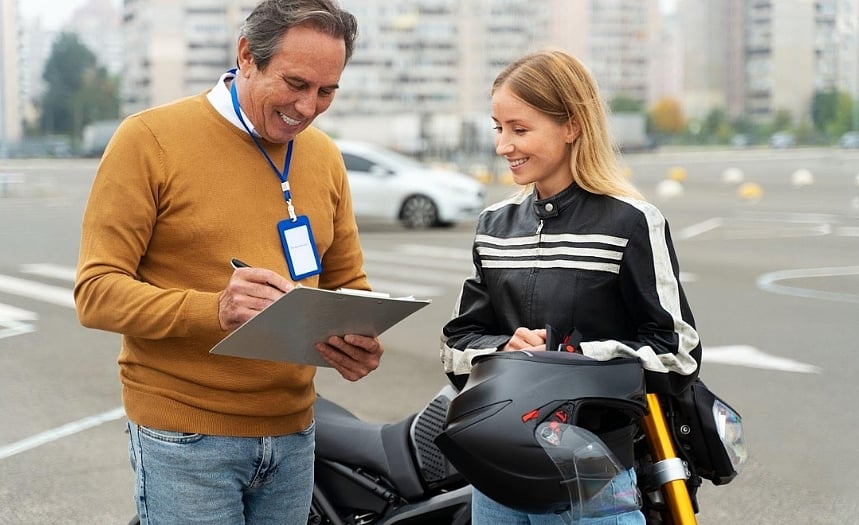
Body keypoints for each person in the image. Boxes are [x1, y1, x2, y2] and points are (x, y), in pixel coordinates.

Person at [74, 1, 381, 523]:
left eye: (326, 91)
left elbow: (348, 281)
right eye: (296, 83)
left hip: (296, 432)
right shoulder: (149, 140)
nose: (308, 108)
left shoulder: (324, 156)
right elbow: (96, 292)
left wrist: (357, 337)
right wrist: (214, 309)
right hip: (187, 437)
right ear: (246, 56)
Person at [440, 49, 702, 524]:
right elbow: (456, 347)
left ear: (572, 125)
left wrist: (567, 361)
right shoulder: (494, 226)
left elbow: (677, 352)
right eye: (498, 128)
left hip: (595, 479)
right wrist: (505, 349)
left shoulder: (632, 221)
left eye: (520, 129)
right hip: (496, 479)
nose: (503, 146)